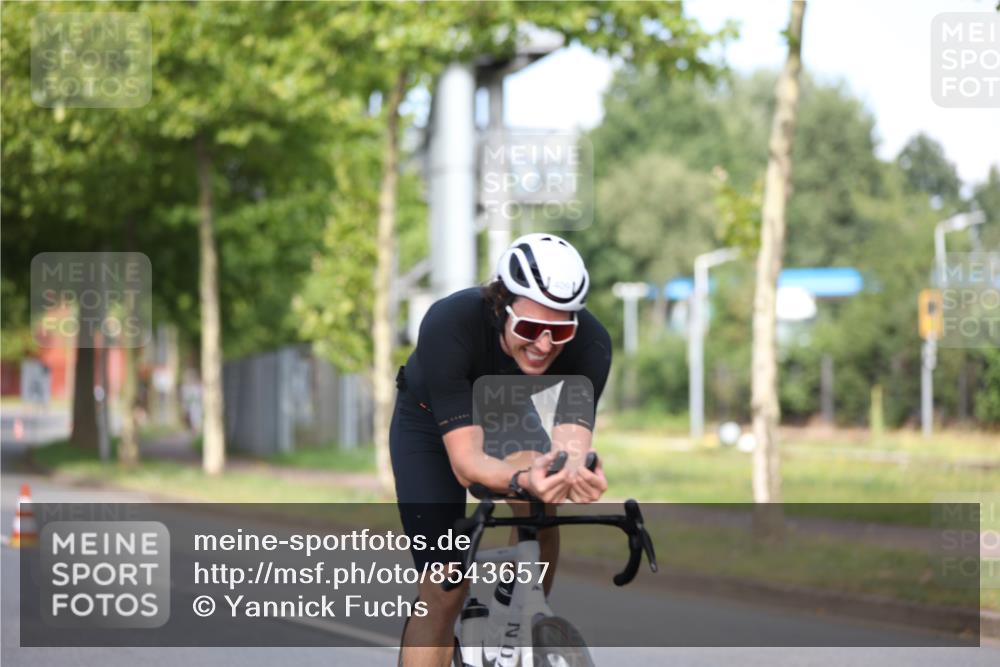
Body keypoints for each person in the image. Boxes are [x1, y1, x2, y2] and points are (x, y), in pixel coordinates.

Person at [390, 233, 612, 667]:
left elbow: (569, 447)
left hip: (506, 411)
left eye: (560, 330)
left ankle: (519, 622)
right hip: (431, 424)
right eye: (529, 329)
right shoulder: (450, 323)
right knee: (445, 586)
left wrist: (575, 471)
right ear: (500, 306)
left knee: (542, 506)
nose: (545, 345)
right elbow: (466, 465)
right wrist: (520, 479)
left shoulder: (591, 344)